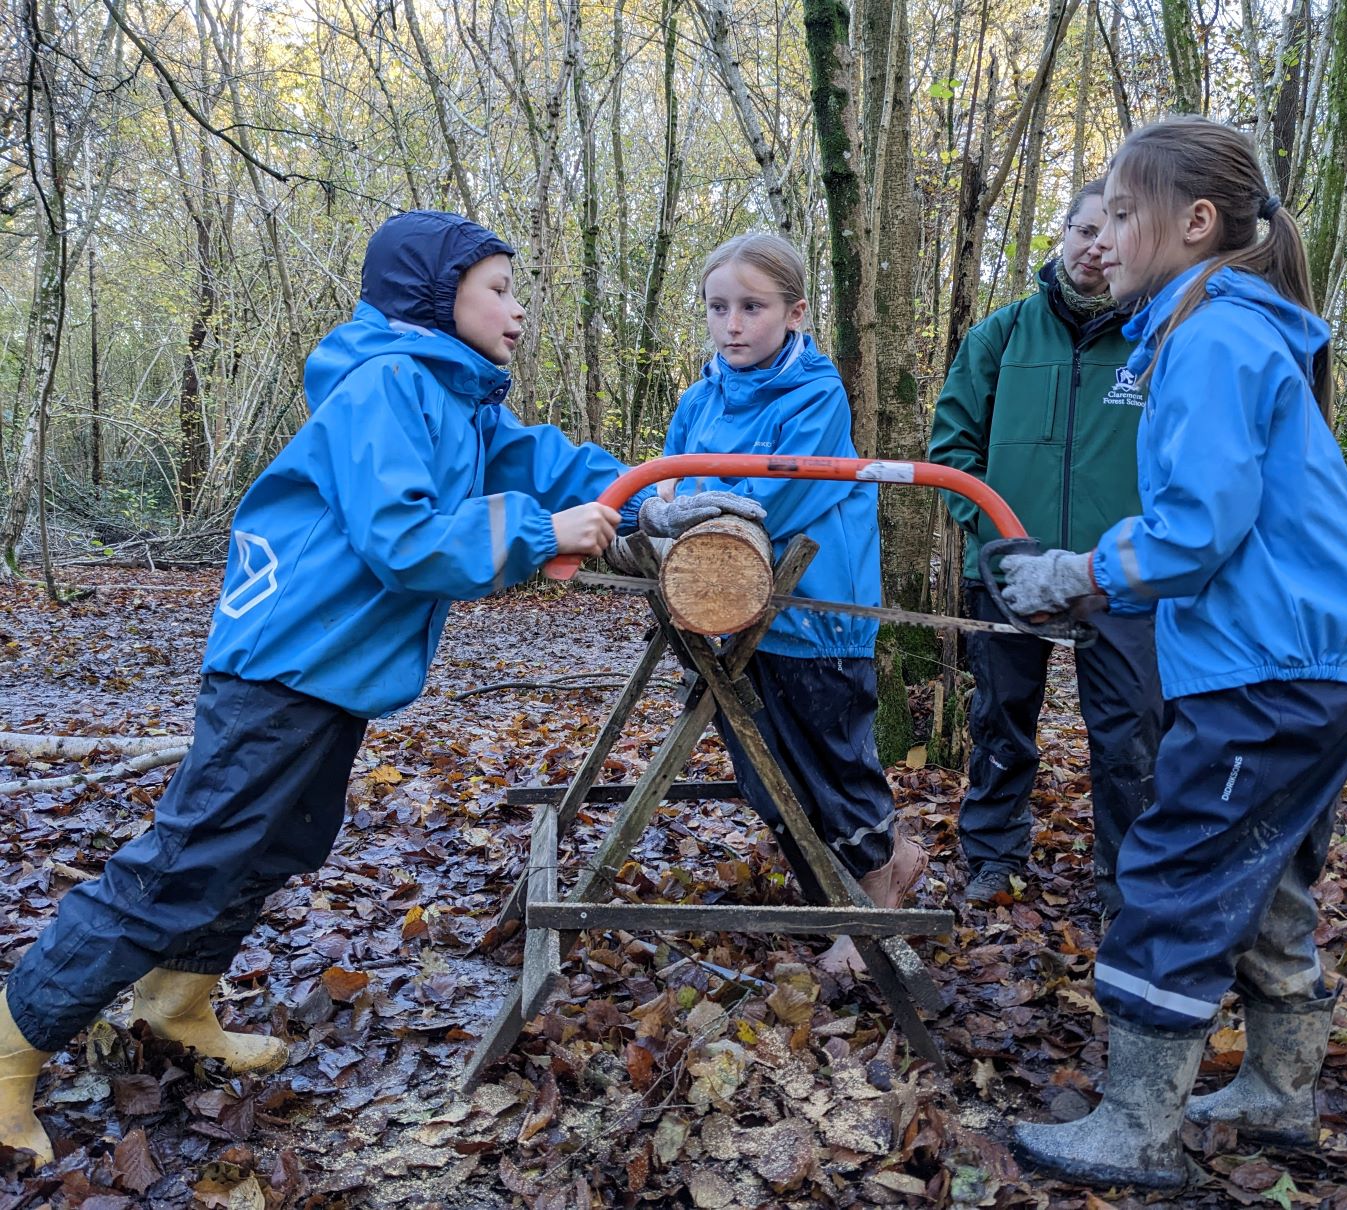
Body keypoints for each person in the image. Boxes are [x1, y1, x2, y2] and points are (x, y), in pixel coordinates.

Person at [0, 210, 754, 1167]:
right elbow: (404, 537)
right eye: (498, 289)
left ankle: (177, 999)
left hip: (332, 672)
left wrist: (649, 495)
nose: (517, 311)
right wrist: (541, 533)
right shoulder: (386, 384)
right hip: (282, 665)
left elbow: (550, 463)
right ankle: (14, 1040)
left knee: (275, 840)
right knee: (187, 856)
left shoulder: (461, 398)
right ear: (438, 298)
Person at [1004, 118, 1347, 1190]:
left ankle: (1135, 1124)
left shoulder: (1209, 337)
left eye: (1123, 214)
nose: (1104, 235)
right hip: (1313, 660)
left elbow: (1195, 526)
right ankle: (1277, 1088)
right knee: (1263, 874)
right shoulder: (1224, 327)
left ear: (1194, 223)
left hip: (1270, 668)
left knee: (1173, 869)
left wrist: (1077, 573)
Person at [661, 232, 924, 974]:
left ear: (795, 312)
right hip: (726, 612)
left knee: (834, 763)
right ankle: (858, 877)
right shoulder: (699, 396)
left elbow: (774, 501)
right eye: (718, 307)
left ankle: (875, 897)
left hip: (814, 611)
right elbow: (669, 485)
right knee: (761, 765)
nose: (732, 324)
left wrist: (695, 509)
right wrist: (664, 509)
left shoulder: (815, 392)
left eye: (752, 306)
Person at [929, 177, 1164, 910]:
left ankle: (1124, 884)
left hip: (1118, 576)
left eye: (1112, 231)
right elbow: (949, 455)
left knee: (1130, 735)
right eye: (1082, 230)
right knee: (999, 721)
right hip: (1008, 574)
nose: (1096, 246)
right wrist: (1001, 541)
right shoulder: (998, 336)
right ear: (1061, 237)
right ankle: (993, 860)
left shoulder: (1155, 343)